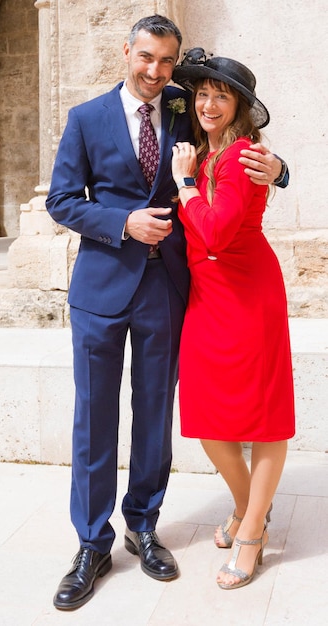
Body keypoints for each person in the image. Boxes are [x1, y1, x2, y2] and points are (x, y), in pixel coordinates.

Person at [46, 16, 288, 610]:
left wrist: (281, 170)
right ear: (126, 51)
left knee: (155, 415)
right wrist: (119, 222)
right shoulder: (86, 119)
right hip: (100, 290)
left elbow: (235, 139)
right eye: (145, 58)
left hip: (169, 288)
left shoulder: (184, 105)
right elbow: (61, 200)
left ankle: (144, 526)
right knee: (94, 418)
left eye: (165, 62)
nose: (154, 72)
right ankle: (91, 542)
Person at [171, 49, 295, 589]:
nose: (208, 102)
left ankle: (249, 536)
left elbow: (218, 231)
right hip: (208, 296)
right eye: (202, 92)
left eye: (221, 95)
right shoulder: (202, 152)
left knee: (264, 416)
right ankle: (253, 510)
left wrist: (186, 189)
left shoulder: (242, 154)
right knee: (205, 414)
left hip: (249, 295)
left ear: (240, 106)